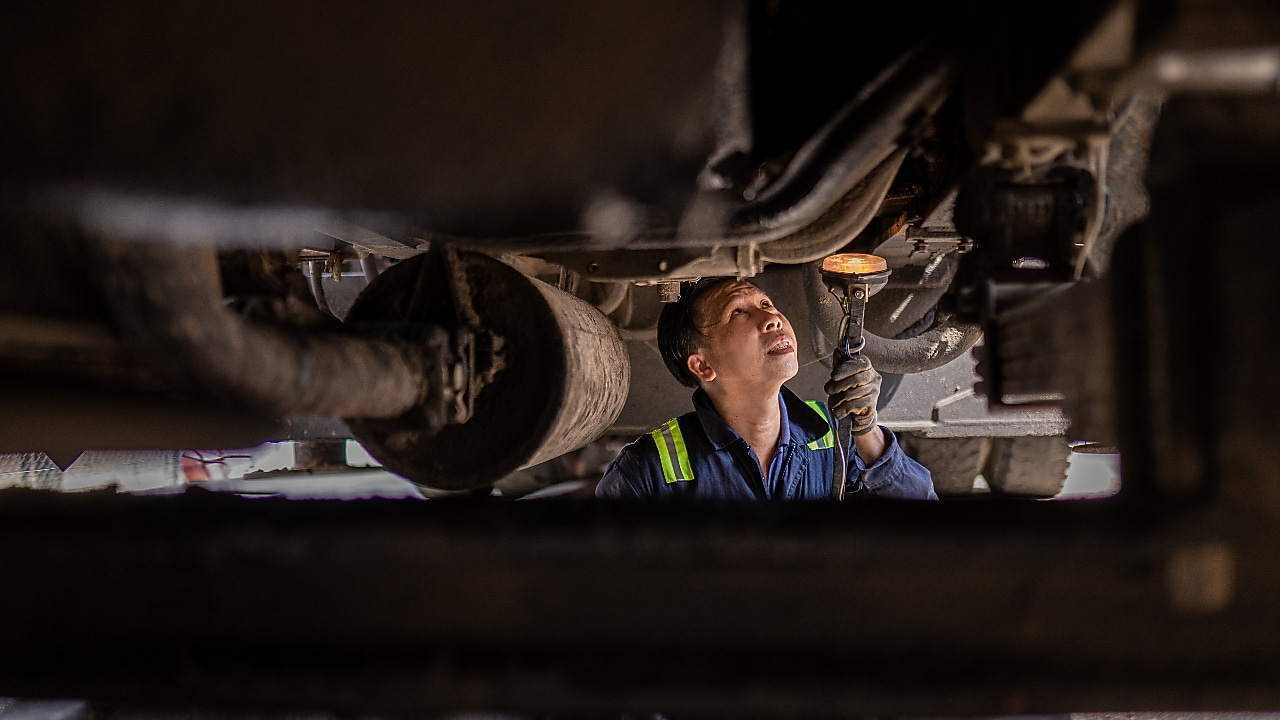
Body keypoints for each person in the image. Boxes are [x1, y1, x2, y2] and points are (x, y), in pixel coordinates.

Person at [596, 276, 936, 501]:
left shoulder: (837, 435)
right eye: (737, 312)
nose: (772, 318)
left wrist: (866, 430)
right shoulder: (646, 470)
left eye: (765, 304)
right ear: (702, 366)